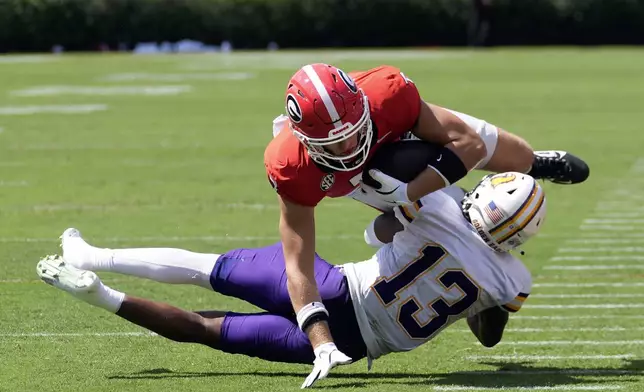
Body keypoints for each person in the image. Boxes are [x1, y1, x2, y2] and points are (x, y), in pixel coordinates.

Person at [37, 155, 546, 389]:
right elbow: (488, 338)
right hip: (357, 345)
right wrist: (481, 297)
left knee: (208, 269)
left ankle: (92, 258)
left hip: (332, 288)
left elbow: (380, 234)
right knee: (206, 329)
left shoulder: (440, 207)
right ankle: (102, 296)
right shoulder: (513, 281)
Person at [263, 62, 587, 368]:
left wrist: (408, 193)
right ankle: (472, 278)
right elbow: (297, 265)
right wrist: (321, 343)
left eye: (353, 131)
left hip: (403, 134)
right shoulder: (293, 167)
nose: (349, 145)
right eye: (335, 143)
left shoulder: (386, 94)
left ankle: (535, 163)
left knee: (517, 155)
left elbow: (468, 144)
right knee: (414, 213)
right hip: (371, 178)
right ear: (306, 140)